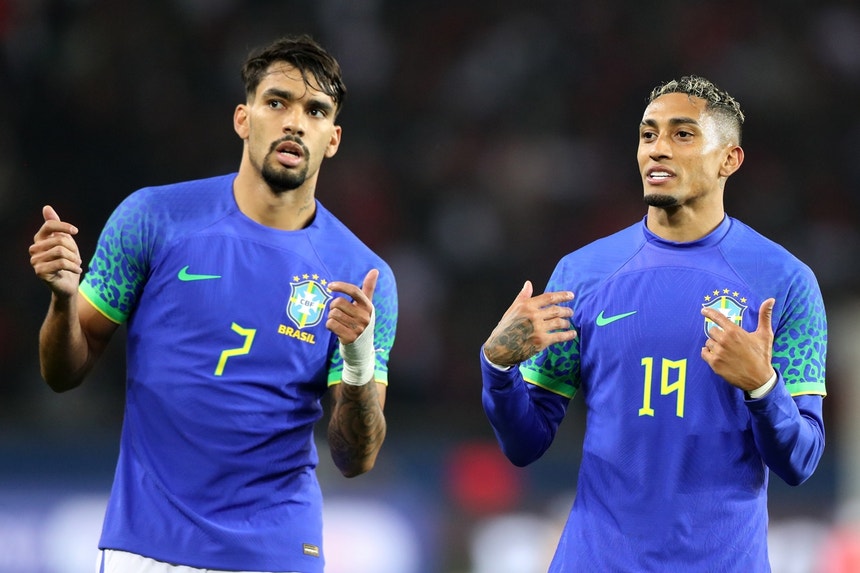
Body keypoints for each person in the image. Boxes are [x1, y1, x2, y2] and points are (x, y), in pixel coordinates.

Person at [28, 34, 397, 573]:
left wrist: (358, 363)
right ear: (243, 118)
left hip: (276, 553)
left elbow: (355, 459)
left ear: (333, 139)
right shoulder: (153, 219)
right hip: (148, 546)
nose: (295, 123)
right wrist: (63, 301)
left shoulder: (362, 278)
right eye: (277, 102)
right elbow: (62, 373)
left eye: (315, 111)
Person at [480, 75, 827, 571]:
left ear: (729, 159)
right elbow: (525, 444)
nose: (657, 148)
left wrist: (762, 387)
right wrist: (497, 368)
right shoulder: (582, 274)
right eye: (648, 134)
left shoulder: (784, 282)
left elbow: (800, 461)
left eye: (682, 134)